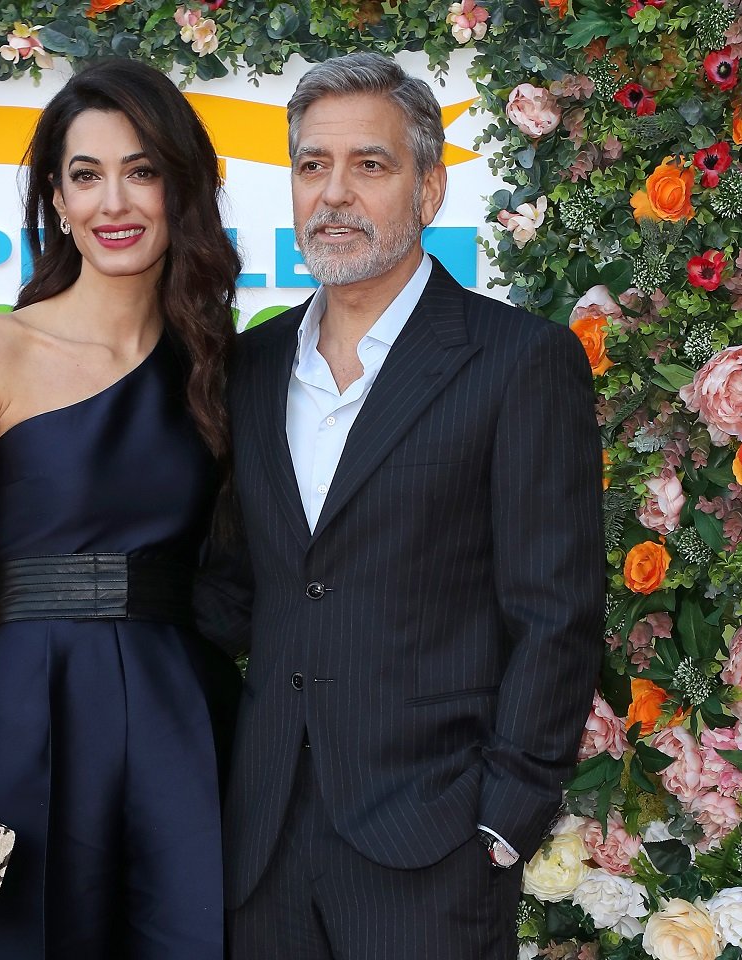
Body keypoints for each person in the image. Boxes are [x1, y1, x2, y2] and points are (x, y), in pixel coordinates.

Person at [195, 52, 605, 960]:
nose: (333, 193)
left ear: (429, 190)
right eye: (312, 165)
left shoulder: (516, 361)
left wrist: (504, 820)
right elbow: (229, 592)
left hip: (432, 845)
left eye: (369, 165)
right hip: (258, 845)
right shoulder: (252, 367)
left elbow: (555, 613)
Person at [0, 58, 241, 960]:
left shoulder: (227, 366)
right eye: (86, 174)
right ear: (56, 193)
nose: (113, 202)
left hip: (181, 718)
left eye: (142, 170)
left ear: (181, 186)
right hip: (21, 717)